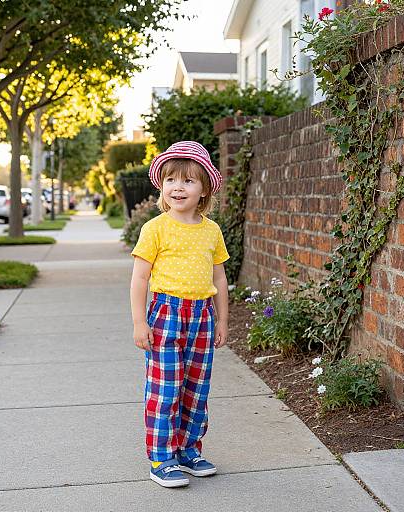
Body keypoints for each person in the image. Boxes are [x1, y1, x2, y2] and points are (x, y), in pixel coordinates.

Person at [130, 141, 229, 488]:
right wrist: (140, 322)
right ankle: (161, 457)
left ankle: (188, 450)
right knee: (165, 389)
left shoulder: (211, 230)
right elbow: (140, 277)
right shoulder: (155, 228)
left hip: (201, 317)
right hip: (166, 315)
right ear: (162, 186)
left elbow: (219, 277)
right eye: (171, 179)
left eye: (188, 181)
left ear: (204, 189)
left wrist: (222, 320)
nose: (178, 187)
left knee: (196, 389)